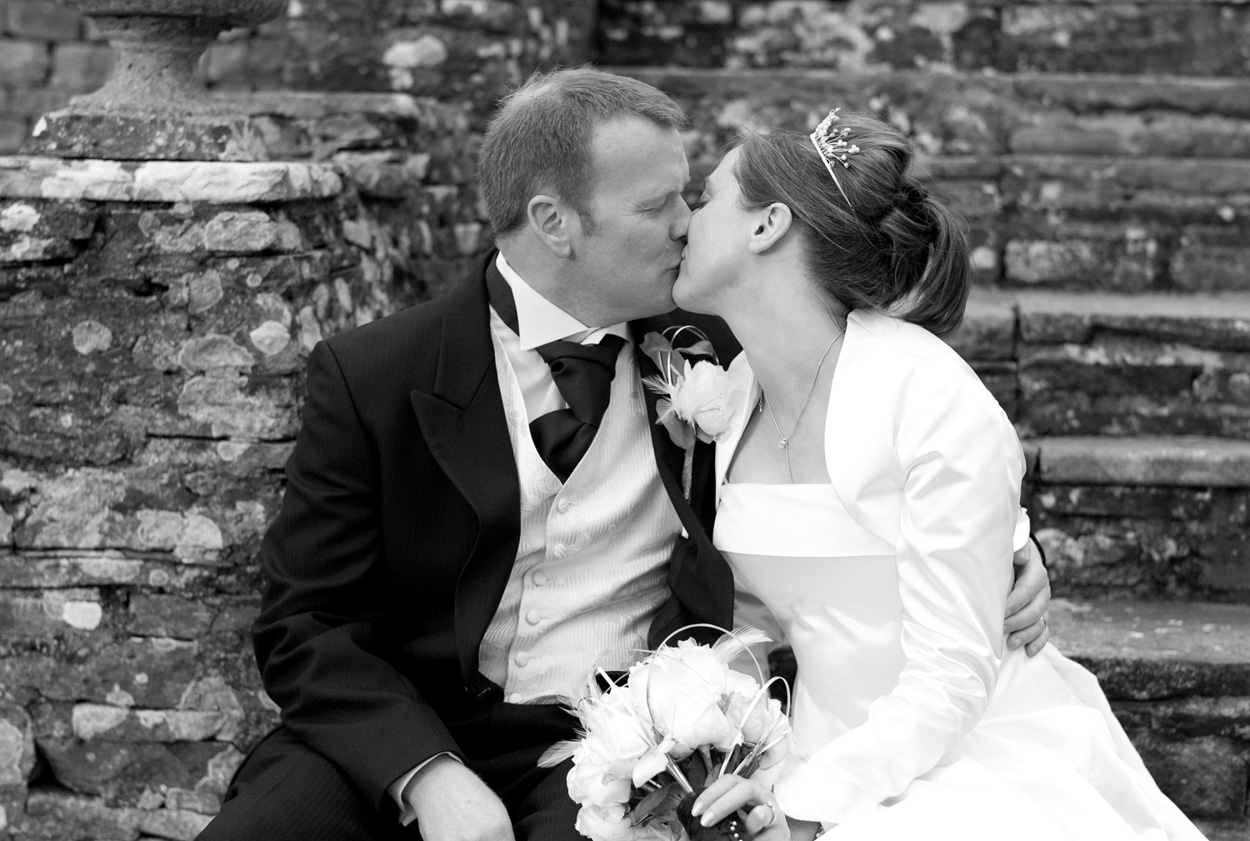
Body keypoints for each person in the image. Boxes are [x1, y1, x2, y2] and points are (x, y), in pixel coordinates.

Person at [196, 70, 1051, 841]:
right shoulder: (376, 373)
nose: (686, 225)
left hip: (613, 750)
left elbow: (877, 441)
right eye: (657, 207)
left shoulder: (724, 339)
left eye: (690, 197)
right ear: (554, 222)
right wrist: (428, 776)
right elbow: (304, 623)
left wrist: (1011, 549)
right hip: (393, 734)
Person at [676, 111, 1208, 840]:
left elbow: (954, 672)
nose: (681, 218)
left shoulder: (930, 399)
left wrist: (806, 809)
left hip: (967, 749)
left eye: (702, 198)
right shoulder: (735, 392)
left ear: (767, 226)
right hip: (809, 744)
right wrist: (702, 732)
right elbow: (764, 612)